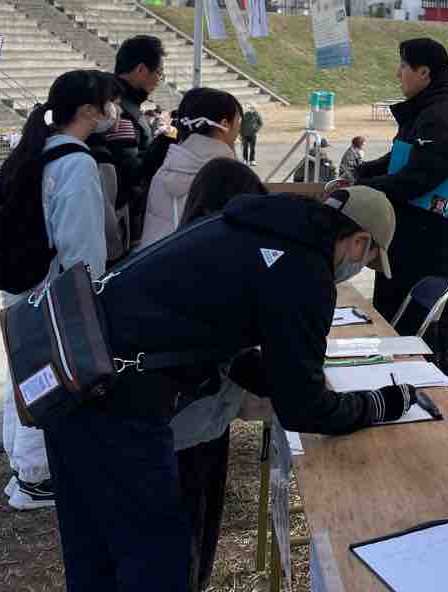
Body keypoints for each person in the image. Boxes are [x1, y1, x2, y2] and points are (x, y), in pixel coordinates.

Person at [41, 185, 418, 590]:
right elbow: (303, 410)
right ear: (360, 241)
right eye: (368, 259)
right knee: (158, 561)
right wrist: (377, 404)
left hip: (69, 373)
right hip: (117, 401)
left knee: (93, 555)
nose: (359, 268)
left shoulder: (255, 226)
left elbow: (221, 341)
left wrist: (286, 378)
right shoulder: (305, 270)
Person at [1, 69, 115, 511]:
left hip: (22, 286)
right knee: (48, 380)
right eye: (106, 104)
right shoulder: (76, 162)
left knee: (23, 374)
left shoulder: (38, 149)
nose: (112, 113)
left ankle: (23, 470)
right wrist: (91, 293)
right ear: (88, 110)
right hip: (53, 292)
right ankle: (37, 477)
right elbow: (82, 247)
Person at [354, 38, 448, 398]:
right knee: (404, 334)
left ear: (424, 73)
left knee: (436, 340)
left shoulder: (441, 115)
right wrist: (362, 174)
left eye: (404, 66)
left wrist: (369, 187)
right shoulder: (425, 111)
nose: (399, 74)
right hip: (416, 244)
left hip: (435, 249)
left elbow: (426, 172)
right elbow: (401, 159)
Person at [169, 158, 268, 592]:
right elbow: (241, 360)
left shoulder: (187, 247)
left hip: (205, 420)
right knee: (186, 534)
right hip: (183, 426)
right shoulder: (205, 266)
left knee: (202, 521)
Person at [138, 88, 242, 250]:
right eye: (238, 120)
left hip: (157, 259)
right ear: (224, 124)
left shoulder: (166, 167)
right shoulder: (231, 177)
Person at [92, 34, 166, 248]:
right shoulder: (121, 110)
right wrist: (165, 144)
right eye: (159, 72)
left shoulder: (123, 103)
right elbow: (130, 172)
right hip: (122, 222)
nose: (159, 80)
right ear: (141, 69)